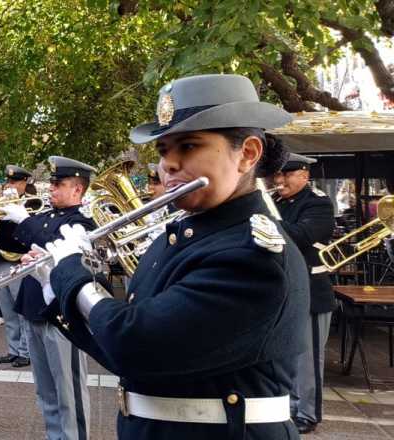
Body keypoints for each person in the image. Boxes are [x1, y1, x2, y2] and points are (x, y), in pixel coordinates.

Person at [38, 73, 307, 438]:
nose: (169, 165)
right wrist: (60, 294)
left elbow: (135, 344)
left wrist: (74, 279)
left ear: (247, 154)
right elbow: (127, 359)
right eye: (164, 150)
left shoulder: (252, 254)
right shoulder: (183, 234)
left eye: (190, 146)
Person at [0, 156, 96, 440]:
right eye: (51, 183)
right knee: (45, 390)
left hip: (62, 313)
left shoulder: (81, 223)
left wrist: (25, 220)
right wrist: (7, 217)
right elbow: (8, 244)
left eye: (58, 184)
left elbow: (48, 239)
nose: (51, 188)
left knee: (68, 389)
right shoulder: (43, 217)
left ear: (77, 190)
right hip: (32, 308)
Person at [272, 147, 336, 434]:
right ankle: (286, 408)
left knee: (308, 359)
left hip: (311, 291)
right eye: (277, 175)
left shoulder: (317, 204)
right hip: (281, 291)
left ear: (305, 175)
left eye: (287, 174)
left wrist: (266, 221)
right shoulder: (276, 202)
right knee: (283, 354)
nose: (280, 181)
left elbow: (302, 235)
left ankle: (307, 413)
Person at [0, 165, 33, 369]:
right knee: (7, 311)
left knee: (20, 309)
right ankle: (14, 350)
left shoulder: (31, 205)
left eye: (14, 182)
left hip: (18, 261)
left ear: (24, 184)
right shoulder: (1, 203)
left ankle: (25, 351)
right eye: (8, 182)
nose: (9, 186)